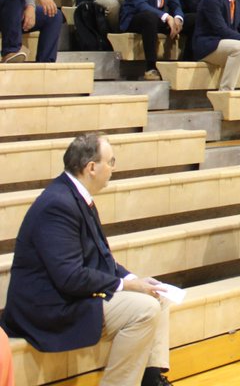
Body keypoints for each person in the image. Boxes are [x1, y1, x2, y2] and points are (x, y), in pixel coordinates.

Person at [1, 134, 172, 385]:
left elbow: (102, 257)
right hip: (48, 309)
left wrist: (134, 279)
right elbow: (70, 277)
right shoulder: (58, 204)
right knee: (144, 310)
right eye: (111, 162)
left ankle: (152, 379)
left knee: (159, 295)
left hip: (70, 296)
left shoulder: (76, 196)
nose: (113, 168)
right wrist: (126, 285)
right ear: (91, 167)